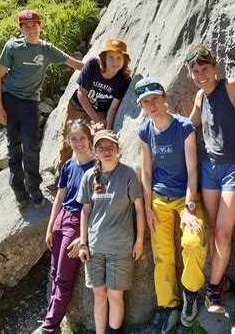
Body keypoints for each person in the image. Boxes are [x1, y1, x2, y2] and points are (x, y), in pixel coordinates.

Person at [0, 9, 84, 210]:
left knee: (32, 146)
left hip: (29, 103)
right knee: (14, 145)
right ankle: (18, 189)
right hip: (10, 99)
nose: (31, 30)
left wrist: (101, 71)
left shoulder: (47, 50)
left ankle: (33, 188)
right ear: (21, 29)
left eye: (35, 25)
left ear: (40, 26)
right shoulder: (13, 47)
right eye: (27, 27)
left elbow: (74, 63)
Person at [136, 77, 207, 332]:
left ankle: (190, 294)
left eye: (155, 98)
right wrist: (147, 207)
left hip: (185, 197)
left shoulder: (184, 127)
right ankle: (169, 307)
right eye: (146, 102)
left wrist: (189, 208)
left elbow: (192, 170)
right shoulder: (145, 131)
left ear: (165, 98)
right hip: (158, 199)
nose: (152, 105)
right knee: (162, 256)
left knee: (193, 243)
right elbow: (145, 170)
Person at [186, 44, 235, 313]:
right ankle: (220, 282)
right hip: (210, 170)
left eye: (205, 69)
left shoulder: (233, 87)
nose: (201, 75)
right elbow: (188, 126)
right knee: (213, 228)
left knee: (223, 231)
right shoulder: (200, 96)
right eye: (195, 71)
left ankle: (212, 291)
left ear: (215, 68)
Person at [78, 130, 145, 334]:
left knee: (115, 296)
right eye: (101, 147)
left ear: (118, 149)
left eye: (110, 147)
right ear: (95, 152)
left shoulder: (128, 174)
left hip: (121, 247)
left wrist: (139, 241)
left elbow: (139, 208)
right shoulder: (89, 176)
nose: (106, 151)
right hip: (95, 247)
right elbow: (85, 210)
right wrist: (82, 243)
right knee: (99, 295)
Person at [39, 120, 95, 333]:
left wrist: (83, 237)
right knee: (54, 274)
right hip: (61, 220)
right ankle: (53, 322)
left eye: (82, 138)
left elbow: (98, 207)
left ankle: (48, 328)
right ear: (68, 140)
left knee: (63, 279)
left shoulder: (96, 166)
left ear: (89, 138)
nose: (78, 142)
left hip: (77, 222)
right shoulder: (69, 165)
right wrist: (50, 227)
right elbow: (60, 196)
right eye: (74, 139)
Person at [58, 38, 132, 171]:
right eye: (111, 57)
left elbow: (113, 108)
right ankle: (62, 174)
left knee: (95, 140)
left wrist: (107, 134)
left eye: (119, 58)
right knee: (69, 141)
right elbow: (81, 94)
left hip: (100, 110)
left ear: (124, 60)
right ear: (104, 57)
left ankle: (92, 174)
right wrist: (97, 120)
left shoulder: (123, 80)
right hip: (78, 105)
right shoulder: (93, 65)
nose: (115, 62)